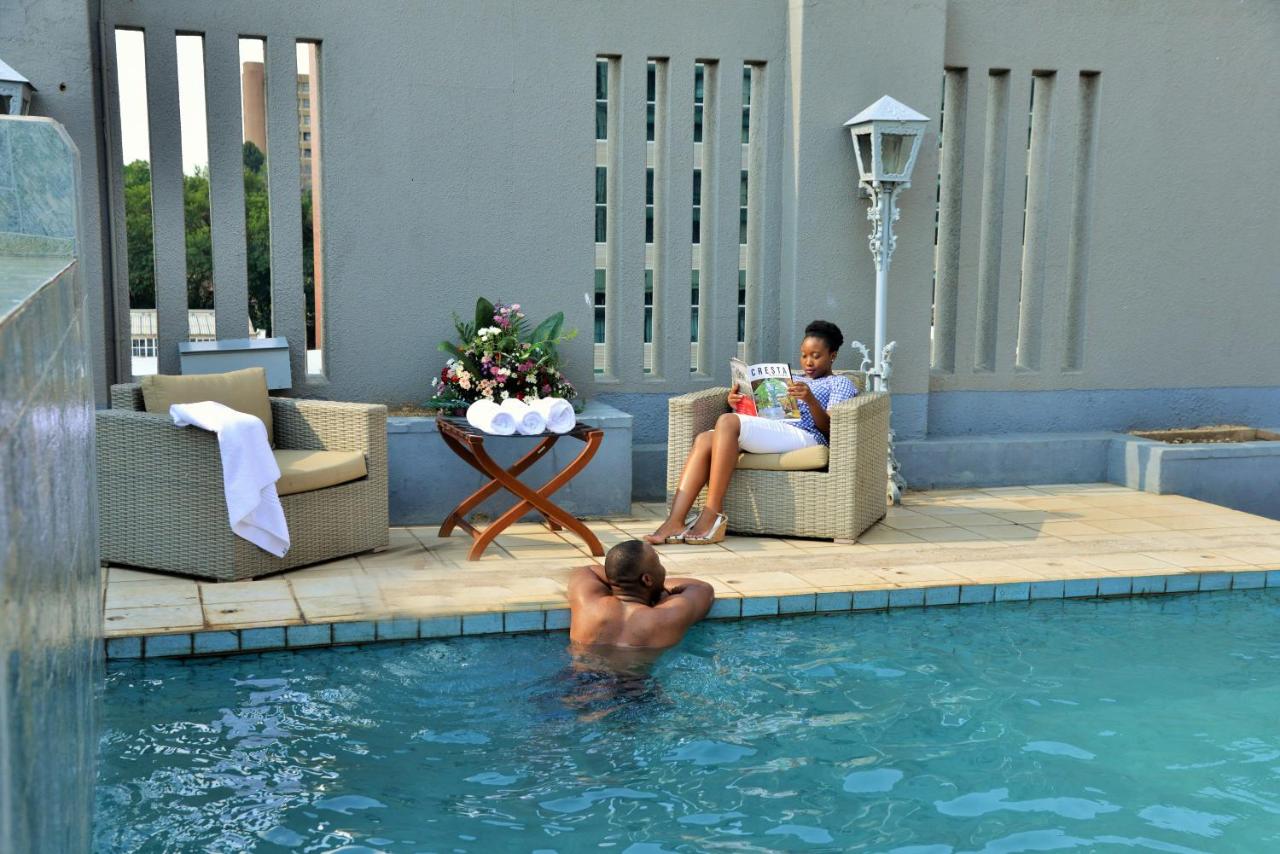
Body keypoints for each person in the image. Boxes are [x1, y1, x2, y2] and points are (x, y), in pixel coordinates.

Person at [645, 319, 858, 545]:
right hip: (773, 429)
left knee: (727, 422)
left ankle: (712, 513)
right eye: (804, 355)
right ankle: (675, 521)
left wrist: (811, 400)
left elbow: (832, 428)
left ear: (832, 355)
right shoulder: (792, 379)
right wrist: (738, 401)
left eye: (816, 356)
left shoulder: (839, 383)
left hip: (806, 435)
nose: (808, 362)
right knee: (705, 439)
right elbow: (765, 412)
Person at [567, 540, 715, 649]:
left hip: (578, 678)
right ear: (647, 579)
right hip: (633, 682)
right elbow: (701, 588)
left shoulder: (587, 602)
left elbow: (589, 570)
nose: (663, 569)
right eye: (659, 564)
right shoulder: (666, 616)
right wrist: (661, 589)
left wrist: (620, 577)